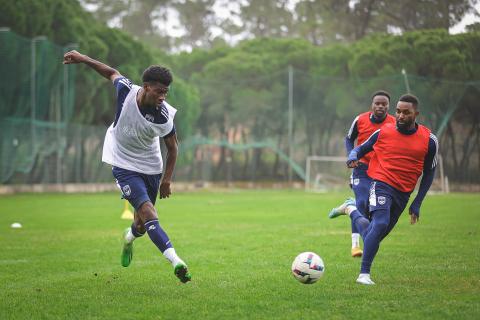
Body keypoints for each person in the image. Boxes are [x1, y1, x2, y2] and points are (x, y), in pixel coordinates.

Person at [63, 50, 191, 283]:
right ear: (145, 87)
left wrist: (166, 179)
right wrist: (83, 58)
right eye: (159, 91)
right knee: (149, 214)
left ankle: (129, 237)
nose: (163, 97)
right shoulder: (126, 90)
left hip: (151, 167)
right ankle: (177, 261)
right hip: (123, 163)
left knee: (141, 224)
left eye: (166, 92)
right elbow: (111, 72)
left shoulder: (164, 117)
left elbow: (173, 148)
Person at [329, 94, 438, 285]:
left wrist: (417, 202)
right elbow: (360, 148)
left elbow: (429, 173)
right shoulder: (383, 132)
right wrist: (352, 156)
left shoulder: (429, 140)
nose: (401, 116)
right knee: (379, 224)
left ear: (416, 114)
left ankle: (350, 210)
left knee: (375, 234)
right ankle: (364, 275)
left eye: (406, 112)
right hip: (381, 183)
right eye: (398, 111)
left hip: (404, 193)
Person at [337, 91, 395, 258]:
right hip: (361, 169)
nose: (380, 106)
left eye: (384, 104)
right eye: (377, 103)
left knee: (373, 210)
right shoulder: (360, 119)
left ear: (388, 106)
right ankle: (356, 245)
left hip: (381, 171)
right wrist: (351, 155)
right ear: (372, 105)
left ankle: (350, 207)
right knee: (361, 203)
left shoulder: (393, 123)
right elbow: (349, 139)